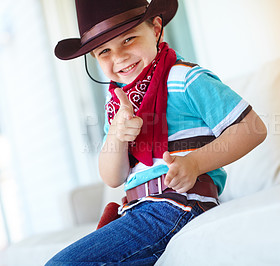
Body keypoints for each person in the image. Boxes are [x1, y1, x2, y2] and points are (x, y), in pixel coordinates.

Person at [47, 0, 267, 264]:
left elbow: (253, 129)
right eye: (104, 50)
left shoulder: (184, 78)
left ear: (156, 28)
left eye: (129, 39)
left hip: (177, 205)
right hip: (135, 209)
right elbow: (113, 177)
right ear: (93, 57)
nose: (119, 57)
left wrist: (195, 164)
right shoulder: (117, 103)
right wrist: (116, 135)